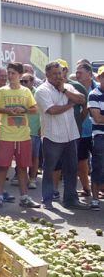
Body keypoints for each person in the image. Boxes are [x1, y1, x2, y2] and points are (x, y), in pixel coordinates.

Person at [35, 61, 89, 210]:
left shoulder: (68, 87)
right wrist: (70, 105)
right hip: (52, 136)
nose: (59, 76)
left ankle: (70, 199)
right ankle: (47, 200)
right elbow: (52, 110)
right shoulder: (41, 90)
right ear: (47, 75)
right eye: (55, 74)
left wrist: (64, 91)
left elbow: (82, 99)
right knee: (50, 169)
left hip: (70, 134)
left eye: (60, 73)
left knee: (71, 168)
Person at [0, 62, 40, 209]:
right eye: (8, 73)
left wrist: (23, 108)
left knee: (23, 167)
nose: (9, 76)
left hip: (24, 135)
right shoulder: (2, 91)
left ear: (19, 74)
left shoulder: (26, 91)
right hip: (6, 135)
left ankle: (24, 197)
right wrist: (7, 111)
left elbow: (35, 108)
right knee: (3, 167)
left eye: (12, 73)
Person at [75, 61, 95, 197]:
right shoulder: (74, 89)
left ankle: (99, 188)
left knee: (99, 161)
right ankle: (86, 188)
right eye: (76, 73)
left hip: (97, 132)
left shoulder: (99, 88)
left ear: (90, 74)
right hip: (80, 132)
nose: (77, 75)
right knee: (81, 162)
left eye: (80, 73)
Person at [20, 73, 41, 190]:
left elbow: (43, 111)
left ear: (32, 82)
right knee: (21, 156)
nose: (23, 83)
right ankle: (22, 178)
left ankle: (32, 178)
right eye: (21, 81)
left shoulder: (38, 93)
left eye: (25, 81)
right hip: (20, 129)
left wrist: (41, 127)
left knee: (34, 156)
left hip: (34, 128)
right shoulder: (19, 92)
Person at [88, 66, 104, 208]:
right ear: (98, 78)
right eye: (103, 76)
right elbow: (98, 118)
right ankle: (94, 199)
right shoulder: (94, 94)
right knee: (97, 166)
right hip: (100, 136)